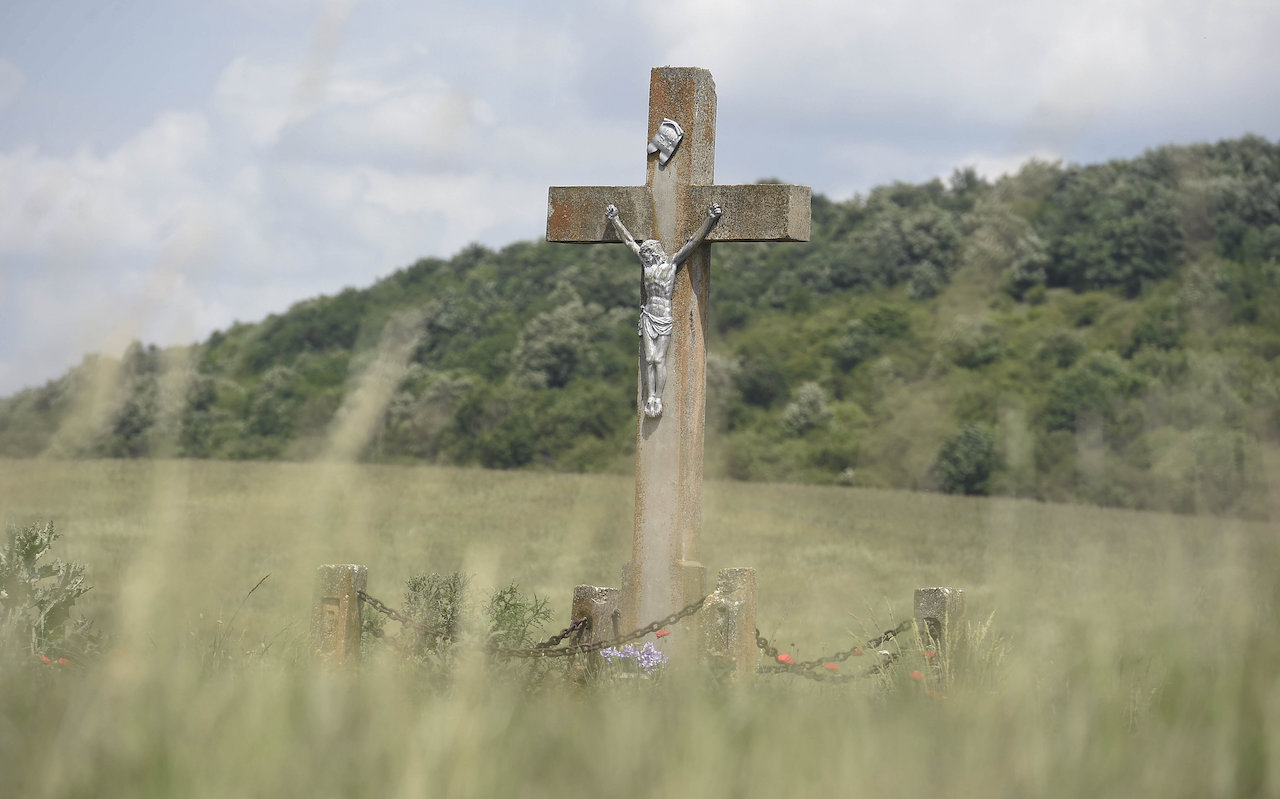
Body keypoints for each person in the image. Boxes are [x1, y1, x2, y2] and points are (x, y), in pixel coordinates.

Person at [605, 202, 722, 418]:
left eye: (647, 253)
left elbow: (693, 242)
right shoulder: (646, 265)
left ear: (655, 252)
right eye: (644, 253)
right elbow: (629, 241)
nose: (644, 256)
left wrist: (710, 219)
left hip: (664, 317)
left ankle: (658, 396)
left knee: (659, 359)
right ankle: (651, 397)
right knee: (650, 358)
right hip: (648, 316)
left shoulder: (671, 264)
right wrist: (615, 220)